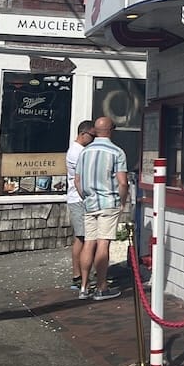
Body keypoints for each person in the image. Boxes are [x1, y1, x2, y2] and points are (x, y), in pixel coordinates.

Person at [74, 115, 128, 301]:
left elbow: (77, 180)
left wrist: (86, 196)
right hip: (108, 202)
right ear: (111, 130)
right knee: (103, 243)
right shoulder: (117, 152)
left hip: (90, 202)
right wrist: (122, 202)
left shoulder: (84, 152)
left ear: (95, 131)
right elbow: (122, 182)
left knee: (89, 242)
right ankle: (101, 287)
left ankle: (83, 287)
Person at [65, 119, 96, 290]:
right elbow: (81, 177)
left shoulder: (80, 150)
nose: (93, 139)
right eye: (92, 136)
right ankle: (78, 276)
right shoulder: (77, 152)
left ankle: (82, 275)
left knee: (83, 237)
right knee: (82, 237)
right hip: (78, 198)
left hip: (79, 198)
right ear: (83, 134)